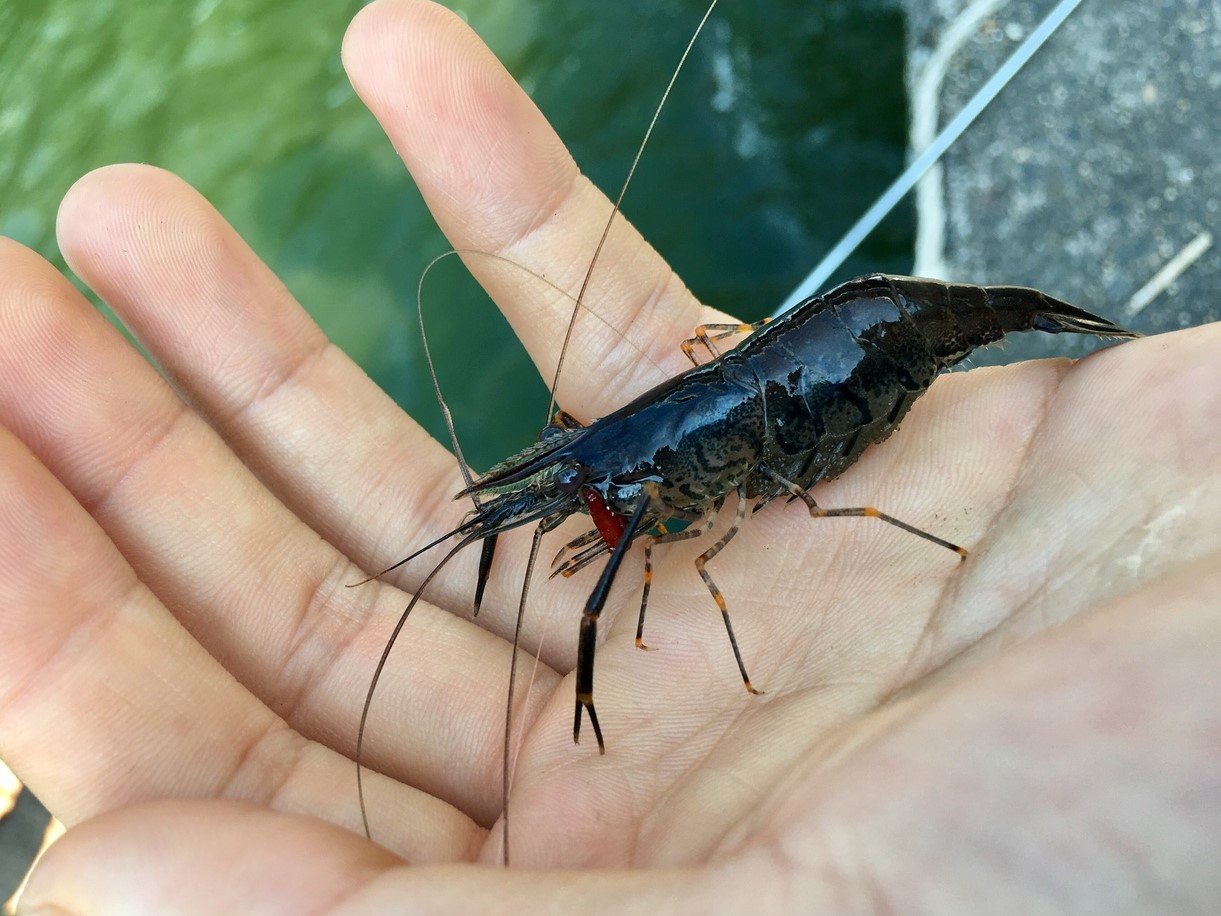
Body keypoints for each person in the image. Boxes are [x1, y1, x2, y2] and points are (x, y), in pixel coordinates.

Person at [1, 0, 1217, 910]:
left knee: (725, 500)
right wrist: (592, 474)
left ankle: (1015, 315)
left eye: (593, 477)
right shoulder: (634, 469)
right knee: (612, 471)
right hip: (792, 360)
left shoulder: (699, 505)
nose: (589, 490)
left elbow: (676, 527)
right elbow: (624, 471)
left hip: (862, 347)